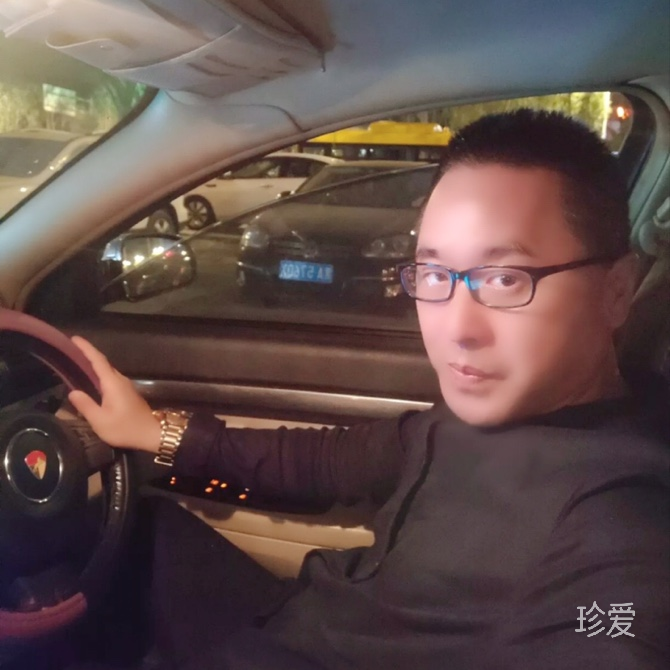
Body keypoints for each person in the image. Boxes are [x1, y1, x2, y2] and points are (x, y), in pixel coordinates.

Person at [69, 110, 670, 670]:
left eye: (504, 279)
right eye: (434, 273)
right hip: (296, 621)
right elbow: (332, 459)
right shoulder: (484, 412)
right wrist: (154, 432)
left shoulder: (618, 515)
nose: (457, 329)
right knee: (132, 528)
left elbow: (620, 625)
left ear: (616, 291)